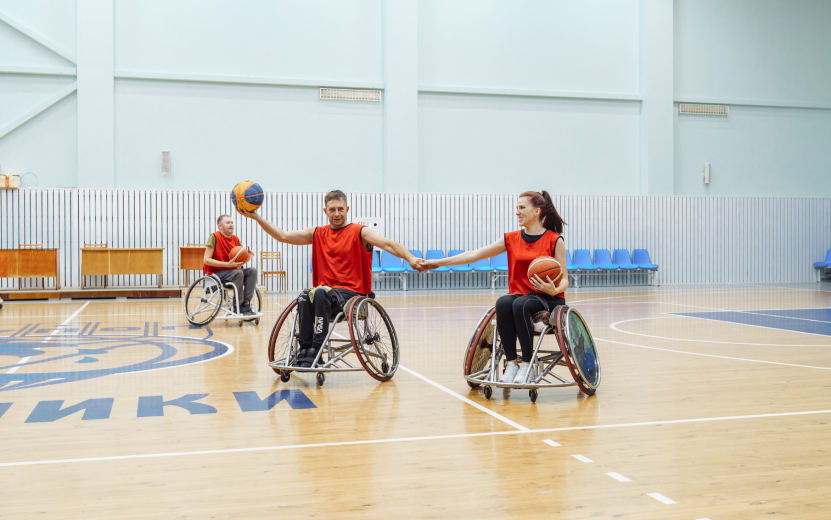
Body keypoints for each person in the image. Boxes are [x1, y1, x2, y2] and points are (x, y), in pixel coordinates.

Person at [238, 190, 421, 367]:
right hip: (324, 295)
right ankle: (305, 351)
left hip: (352, 296)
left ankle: (317, 351)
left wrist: (410, 258)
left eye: (340, 209)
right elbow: (283, 236)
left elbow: (389, 244)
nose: (337, 213)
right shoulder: (318, 233)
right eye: (332, 209)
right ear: (325, 211)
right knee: (304, 295)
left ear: (347, 209)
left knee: (318, 293)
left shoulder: (360, 232)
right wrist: (256, 217)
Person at [423, 190, 568, 384]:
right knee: (503, 303)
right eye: (516, 208)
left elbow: (564, 280)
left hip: (548, 298)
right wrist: (438, 263)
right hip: (521, 295)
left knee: (520, 305)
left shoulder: (554, 240)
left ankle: (527, 365)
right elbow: (475, 254)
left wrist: (554, 289)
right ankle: (512, 363)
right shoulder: (511, 238)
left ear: (537, 211)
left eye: (522, 208)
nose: (517, 212)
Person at [203, 214, 257, 315]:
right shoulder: (214, 237)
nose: (231, 225)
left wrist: (247, 256)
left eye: (232, 223)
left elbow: (240, 261)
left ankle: (245, 303)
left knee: (252, 271)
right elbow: (206, 260)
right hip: (216, 273)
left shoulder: (235, 239)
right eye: (228, 223)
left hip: (233, 272)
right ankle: (238, 306)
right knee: (238, 272)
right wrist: (227, 265)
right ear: (220, 226)